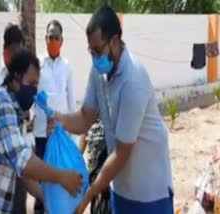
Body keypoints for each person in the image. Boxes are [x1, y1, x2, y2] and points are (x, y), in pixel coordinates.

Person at [48, 6, 173, 214]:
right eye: (91, 51)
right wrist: (57, 118)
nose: (95, 57)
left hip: (150, 193)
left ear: (115, 41)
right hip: (121, 189)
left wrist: (87, 196)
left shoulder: (134, 80)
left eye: (98, 50)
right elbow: (85, 118)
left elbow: (122, 153)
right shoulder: (98, 72)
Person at [0, 49, 82, 214]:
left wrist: (49, 201)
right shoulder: (1, 105)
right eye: (31, 83)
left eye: (37, 84)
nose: (35, 90)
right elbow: (23, 161)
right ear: (15, 79)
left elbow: (21, 172)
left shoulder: (15, 111)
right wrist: (62, 176)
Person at [0, 23, 29, 214]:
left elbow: (28, 113)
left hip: (18, 157)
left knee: (19, 207)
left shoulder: (24, 78)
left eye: (20, 53)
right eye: (13, 52)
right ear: (5, 50)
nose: (16, 58)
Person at [34, 20, 76, 214]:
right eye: (50, 37)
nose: (53, 40)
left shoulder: (67, 67)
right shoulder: (37, 64)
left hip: (60, 134)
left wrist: (72, 135)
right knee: (41, 181)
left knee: (59, 180)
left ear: (62, 40)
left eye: (56, 37)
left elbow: (72, 100)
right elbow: (33, 95)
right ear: (45, 39)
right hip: (42, 133)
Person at [79, 119, 111, 214]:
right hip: (94, 164)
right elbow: (84, 130)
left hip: (111, 161)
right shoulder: (92, 108)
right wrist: (77, 157)